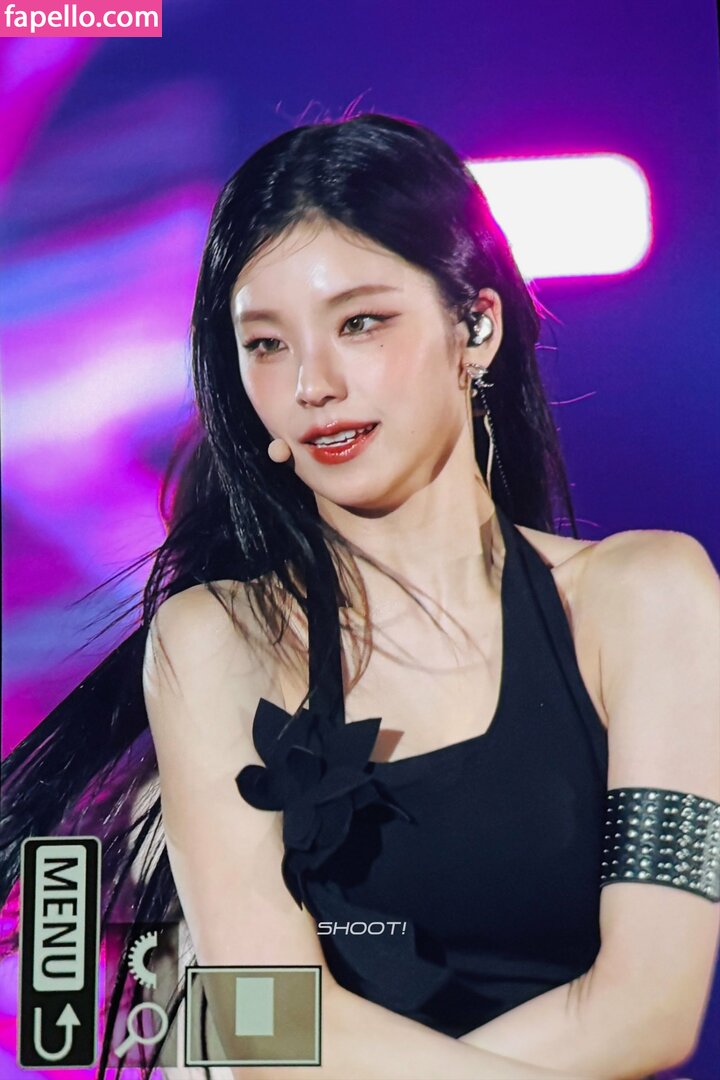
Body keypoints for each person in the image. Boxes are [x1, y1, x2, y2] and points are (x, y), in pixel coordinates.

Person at [2, 113, 719, 1080]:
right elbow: (267, 1026)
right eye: (266, 344)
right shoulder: (215, 639)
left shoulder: (648, 597)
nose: (313, 383)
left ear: (476, 328)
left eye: (360, 323)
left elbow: (650, 1009)